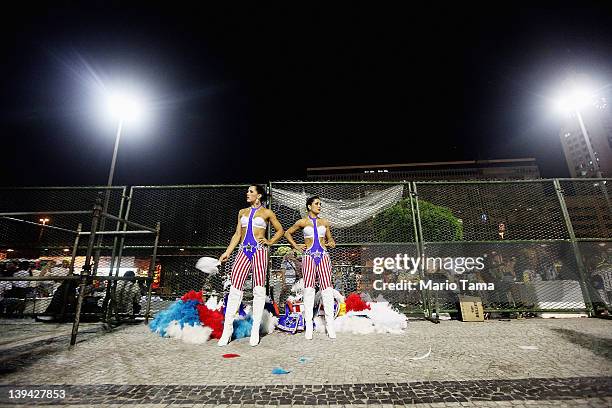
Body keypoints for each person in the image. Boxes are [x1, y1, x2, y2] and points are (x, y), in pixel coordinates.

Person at [218, 185, 284, 347]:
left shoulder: (267, 213)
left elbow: (280, 230)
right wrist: (227, 252)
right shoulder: (242, 212)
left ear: (259, 195)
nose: (247, 194)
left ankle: (255, 329)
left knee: (259, 290)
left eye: (251, 191)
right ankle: (227, 331)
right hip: (242, 252)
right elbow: (237, 234)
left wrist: (269, 242)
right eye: (247, 191)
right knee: (235, 289)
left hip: (260, 252)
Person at [284, 196, 337, 340]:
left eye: (320, 204)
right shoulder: (302, 222)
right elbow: (287, 233)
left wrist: (331, 242)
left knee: (327, 290)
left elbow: (330, 239)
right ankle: (308, 325)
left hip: (324, 256)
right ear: (309, 206)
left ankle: (330, 326)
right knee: (309, 290)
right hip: (308, 257)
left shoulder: (324, 222)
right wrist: (295, 246)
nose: (319, 206)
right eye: (316, 204)